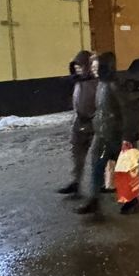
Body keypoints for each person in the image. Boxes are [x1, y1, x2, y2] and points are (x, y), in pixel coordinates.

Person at [78, 52, 125, 219]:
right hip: (102, 133)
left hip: (115, 134)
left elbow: (125, 111)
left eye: (96, 66)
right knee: (97, 165)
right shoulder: (101, 84)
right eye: (92, 66)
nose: (93, 69)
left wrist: (126, 136)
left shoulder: (114, 85)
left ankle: (131, 201)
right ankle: (94, 200)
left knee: (125, 168)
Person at [57, 50, 96, 198]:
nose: (78, 69)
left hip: (93, 123)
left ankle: (100, 187)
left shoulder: (95, 82)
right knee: (77, 154)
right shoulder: (78, 82)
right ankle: (76, 182)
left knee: (97, 157)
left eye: (80, 66)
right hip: (79, 123)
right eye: (75, 66)